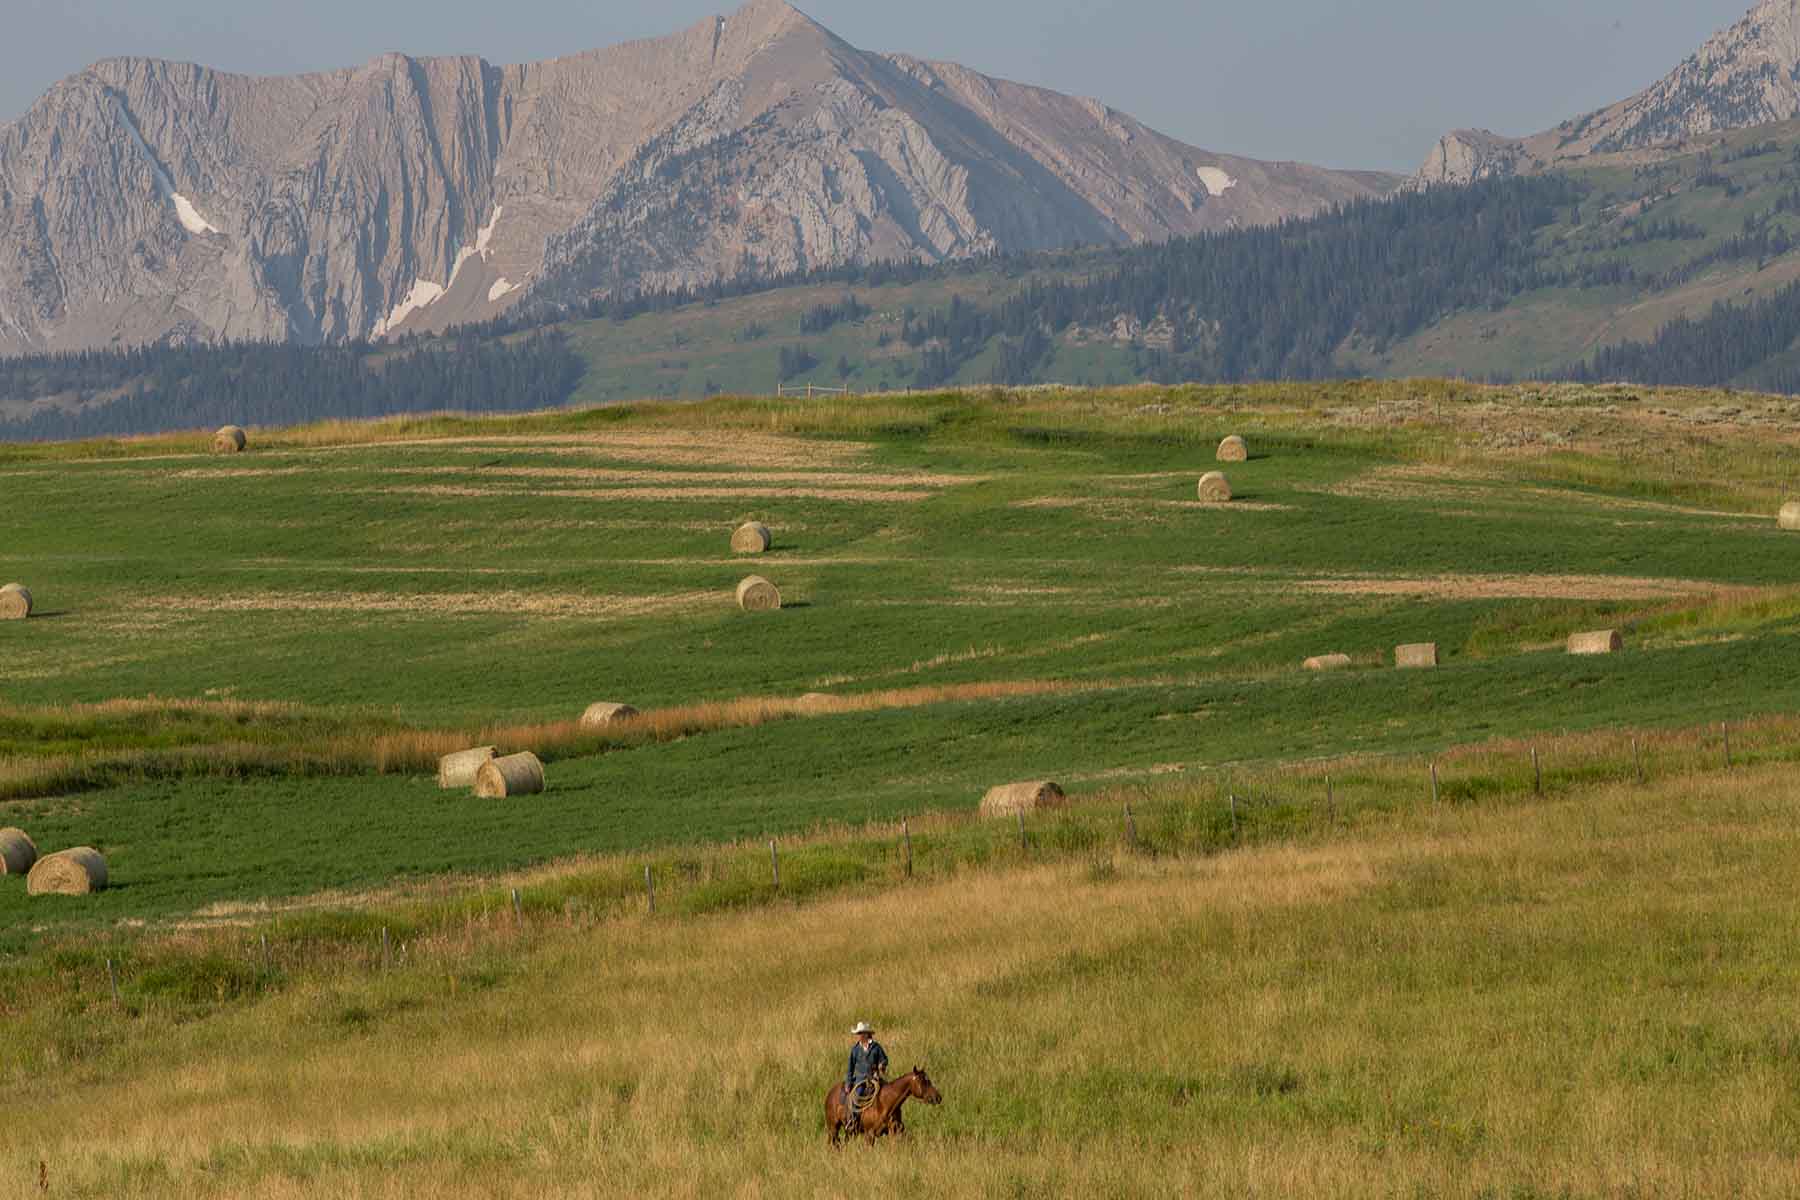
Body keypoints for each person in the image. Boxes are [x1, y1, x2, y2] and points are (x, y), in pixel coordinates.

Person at [842, 1021, 889, 1136]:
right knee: (856, 1098)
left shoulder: (876, 1047)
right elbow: (850, 1068)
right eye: (858, 1033)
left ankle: (889, 1119)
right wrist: (848, 1082)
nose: (859, 1036)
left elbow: (884, 1059)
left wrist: (881, 1065)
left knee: (887, 1094)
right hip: (860, 1080)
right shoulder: (855, 1050)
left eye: (861, 1033)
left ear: (867, 1034)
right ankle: (852, 1121)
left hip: (875, 1078)